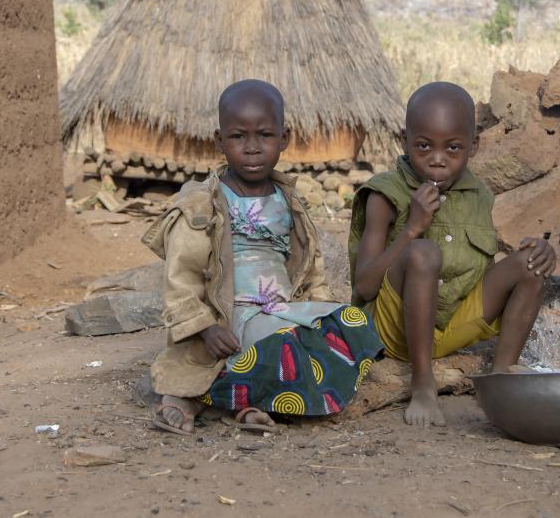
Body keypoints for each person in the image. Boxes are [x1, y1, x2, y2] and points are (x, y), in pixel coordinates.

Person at [144, 79, 384, 434]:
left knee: (352, 323)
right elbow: (181, 277)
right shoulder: (201, 205)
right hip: (230, 319)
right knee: (285, 347)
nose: (252, 148)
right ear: (219, 141)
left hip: (282, 311)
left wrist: (319, 320)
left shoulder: (290, 201)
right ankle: (199, 396)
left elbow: (311, 268)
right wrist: (206, 329)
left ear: (284, 138)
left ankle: (246, 402)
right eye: (238, 137)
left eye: (265, 136)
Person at [348, 82, 557, 427]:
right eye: (424, 146)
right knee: (423, 253)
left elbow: (487, 271)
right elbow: (365, 287)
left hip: (451, 324)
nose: (438, 159)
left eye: (454, 148)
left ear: (473, 146)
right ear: (404, 139)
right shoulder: (384, 194)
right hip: (395, 330)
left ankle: (502, 376)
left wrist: (540, 250)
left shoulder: (479, 195)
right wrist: (412, 229)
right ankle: (423, 385)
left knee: (530, 263)